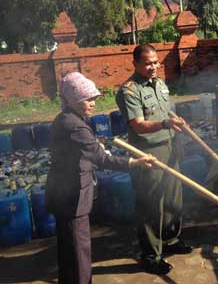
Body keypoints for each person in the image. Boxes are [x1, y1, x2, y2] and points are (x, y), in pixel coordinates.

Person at [45, 72, 155, 284]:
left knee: (68, 249)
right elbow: (101, 159)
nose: (93, 103)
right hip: (73, 196)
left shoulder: (65, 119)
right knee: (79, 252)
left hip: (61, 192)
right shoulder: (75, 125)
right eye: (87, 99)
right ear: (73, 100)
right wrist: (133, 163)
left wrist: (92, 150)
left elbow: (73, 150)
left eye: (94, 98)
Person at [116, 44, 192, 276]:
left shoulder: (160, 84)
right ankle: (150, 255)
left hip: (170, 146)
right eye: (148, 63)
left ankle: (171, 239)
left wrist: (175, 121)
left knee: (173, 198)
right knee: (151, 204)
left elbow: (165, 112)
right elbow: (137, 125)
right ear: (136, 64)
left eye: (156, 62)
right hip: (148, 153)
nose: (153, 67)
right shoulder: (129, 90)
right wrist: (165, 124)